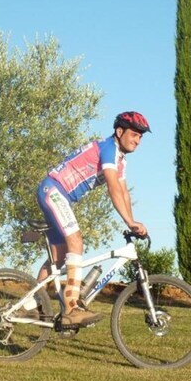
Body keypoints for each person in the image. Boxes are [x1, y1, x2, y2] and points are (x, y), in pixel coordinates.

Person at [35, 111, 150, 327]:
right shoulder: (108, 149)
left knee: (59, 256)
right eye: (134, 134)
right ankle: (71, 308)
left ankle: (29, 304)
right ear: (119, 132)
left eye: (140, 137)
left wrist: (132, 221)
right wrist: (129, 221)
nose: (137, 140)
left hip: (57, 194)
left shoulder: (120, 160)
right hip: (54, 190)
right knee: (76, 241)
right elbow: (112, 187)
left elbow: (123, 191)